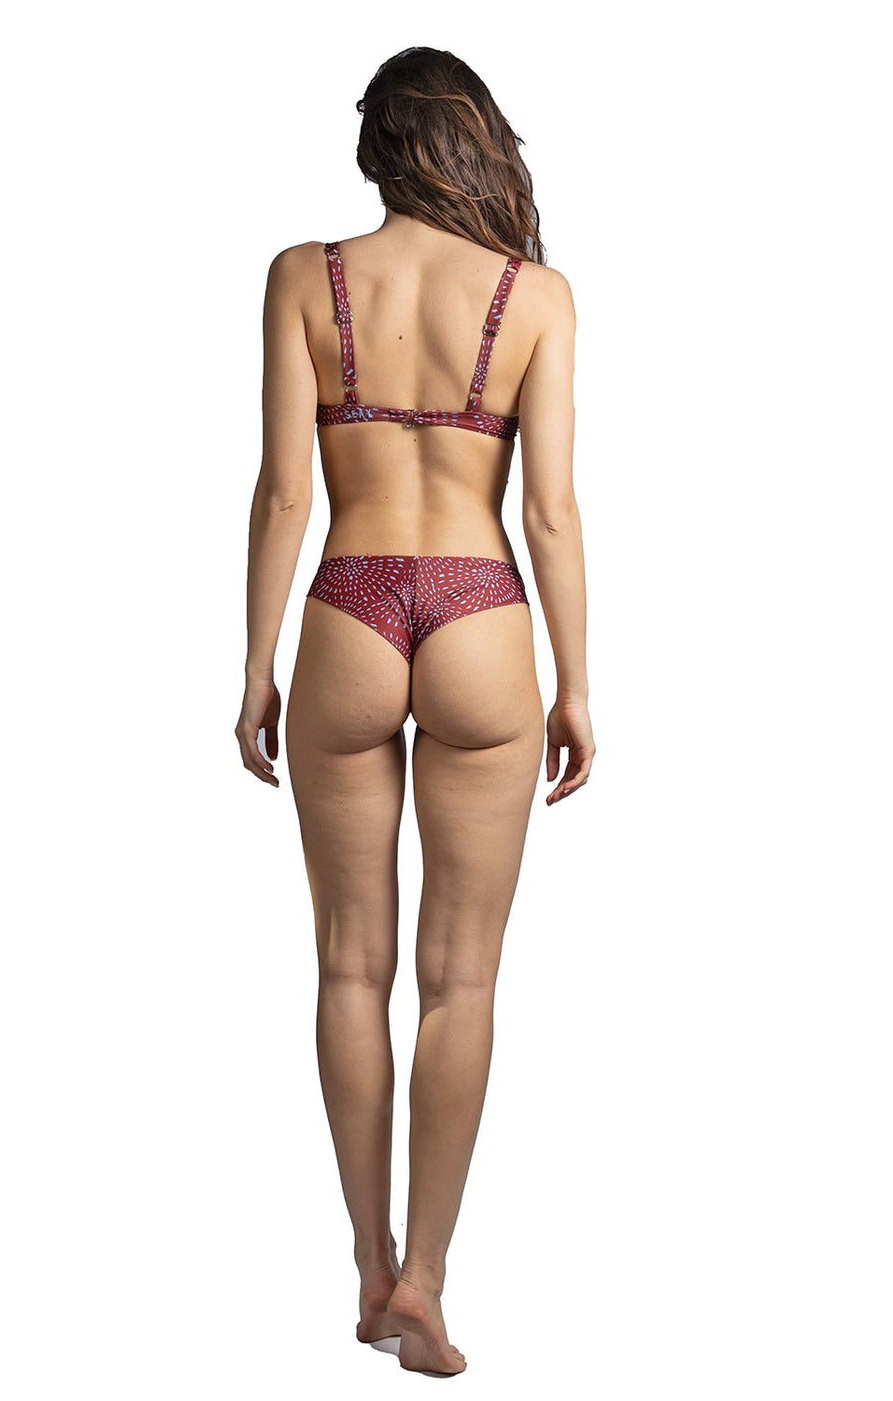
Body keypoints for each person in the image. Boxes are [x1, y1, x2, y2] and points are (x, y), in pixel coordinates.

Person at [235, 47, 594, 1377]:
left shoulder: (304, 277)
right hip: (479, 610)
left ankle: (368, 1264)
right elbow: (548, 511)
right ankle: (429, 1279)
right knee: (463, 977)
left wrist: (257, 662)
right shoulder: (534, 296)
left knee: (348, 966)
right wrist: (576, 679)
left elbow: (286, 490)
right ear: (473, 141)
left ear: (375, 147)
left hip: (350, 602)